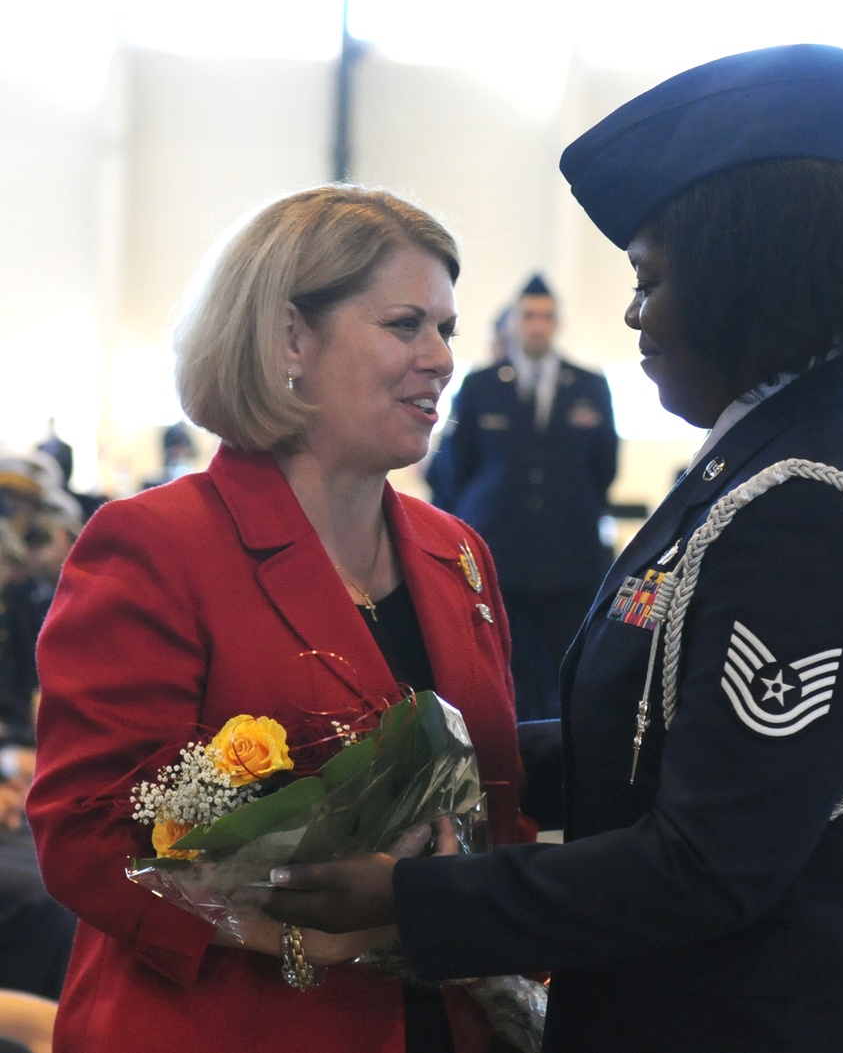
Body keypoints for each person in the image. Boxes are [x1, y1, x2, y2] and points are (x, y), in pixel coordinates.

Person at [263, 45, 843, 1052]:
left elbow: (710, 859)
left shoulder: (803, 498)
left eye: (650, 279)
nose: (630, 312)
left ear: (742, 280)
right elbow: (654, 738)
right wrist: (430, 769)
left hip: (797, 1008)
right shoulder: (771, 450)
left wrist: (418, 900)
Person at [26, 185, 533, 1053]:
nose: (443, 357)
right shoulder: (155, 543)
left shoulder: (459, 555)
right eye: (406, 324)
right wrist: (304, 931)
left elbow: (501, 806)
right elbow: (85, 831)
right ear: (292, 337)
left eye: (447, 328)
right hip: (229, 1024)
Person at [428, 274, 618, 720]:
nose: (537, 325)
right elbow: (458, 468)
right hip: (500, 551)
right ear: (512, 323)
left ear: (557, 324)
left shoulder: (589, 385)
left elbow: (604, 468)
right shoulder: (481, 386)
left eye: (546, 316)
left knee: (566, 670)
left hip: (569, 555)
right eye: (529, 316)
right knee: (501, 670)